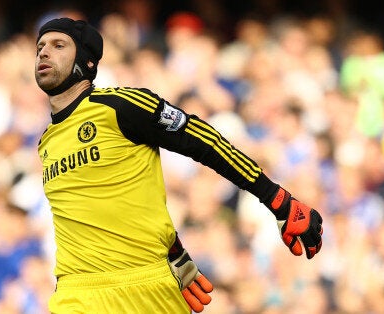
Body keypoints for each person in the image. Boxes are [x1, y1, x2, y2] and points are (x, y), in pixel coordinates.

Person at [34, 17, 323, 313]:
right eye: (40, 46)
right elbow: (110, 205)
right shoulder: (46, 142)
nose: (43, 52)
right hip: (75, 292)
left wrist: (277, 198)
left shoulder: (121, 106)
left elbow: (205, 142)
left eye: (58, 45)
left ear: (87, 62)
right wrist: (174, 250)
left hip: (145, 288)